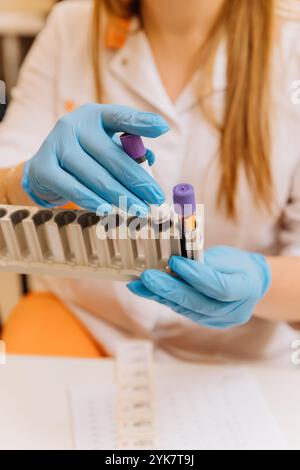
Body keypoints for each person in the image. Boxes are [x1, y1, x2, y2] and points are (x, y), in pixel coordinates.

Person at [1, 0, 300, 362]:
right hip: (86, 323)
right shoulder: (72, 24)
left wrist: (262, 281)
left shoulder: (291, 47)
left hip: (234, 352)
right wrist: (27, 180)